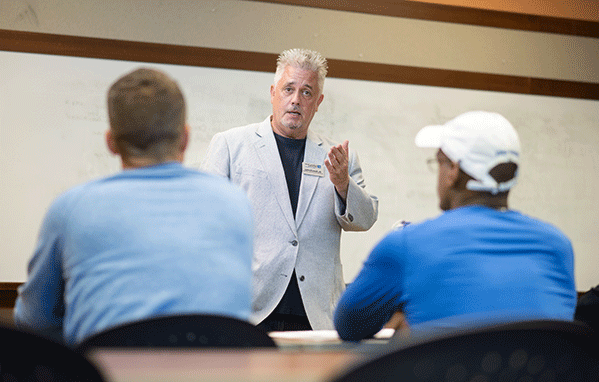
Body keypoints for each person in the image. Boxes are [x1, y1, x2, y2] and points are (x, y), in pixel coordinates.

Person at [14, 68, 254, 347]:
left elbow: (34, 319)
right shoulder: (236, 203)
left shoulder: (71, 209)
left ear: (110, 142)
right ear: (185, 138)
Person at [334, 110, 577, 341]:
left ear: (453, 170)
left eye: (439, 161)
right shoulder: (558, 246)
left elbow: (348, 326)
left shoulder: (407, 245)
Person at [202, 49, 378, 331]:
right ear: (273, 92)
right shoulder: (230, 145)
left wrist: (343, 184)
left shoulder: (339, 157)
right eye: (289, 89)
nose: (296, 100)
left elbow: (366, 219)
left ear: (318, 102)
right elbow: (206, 223)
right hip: (251, 310)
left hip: (317, 315)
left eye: (307, 92)